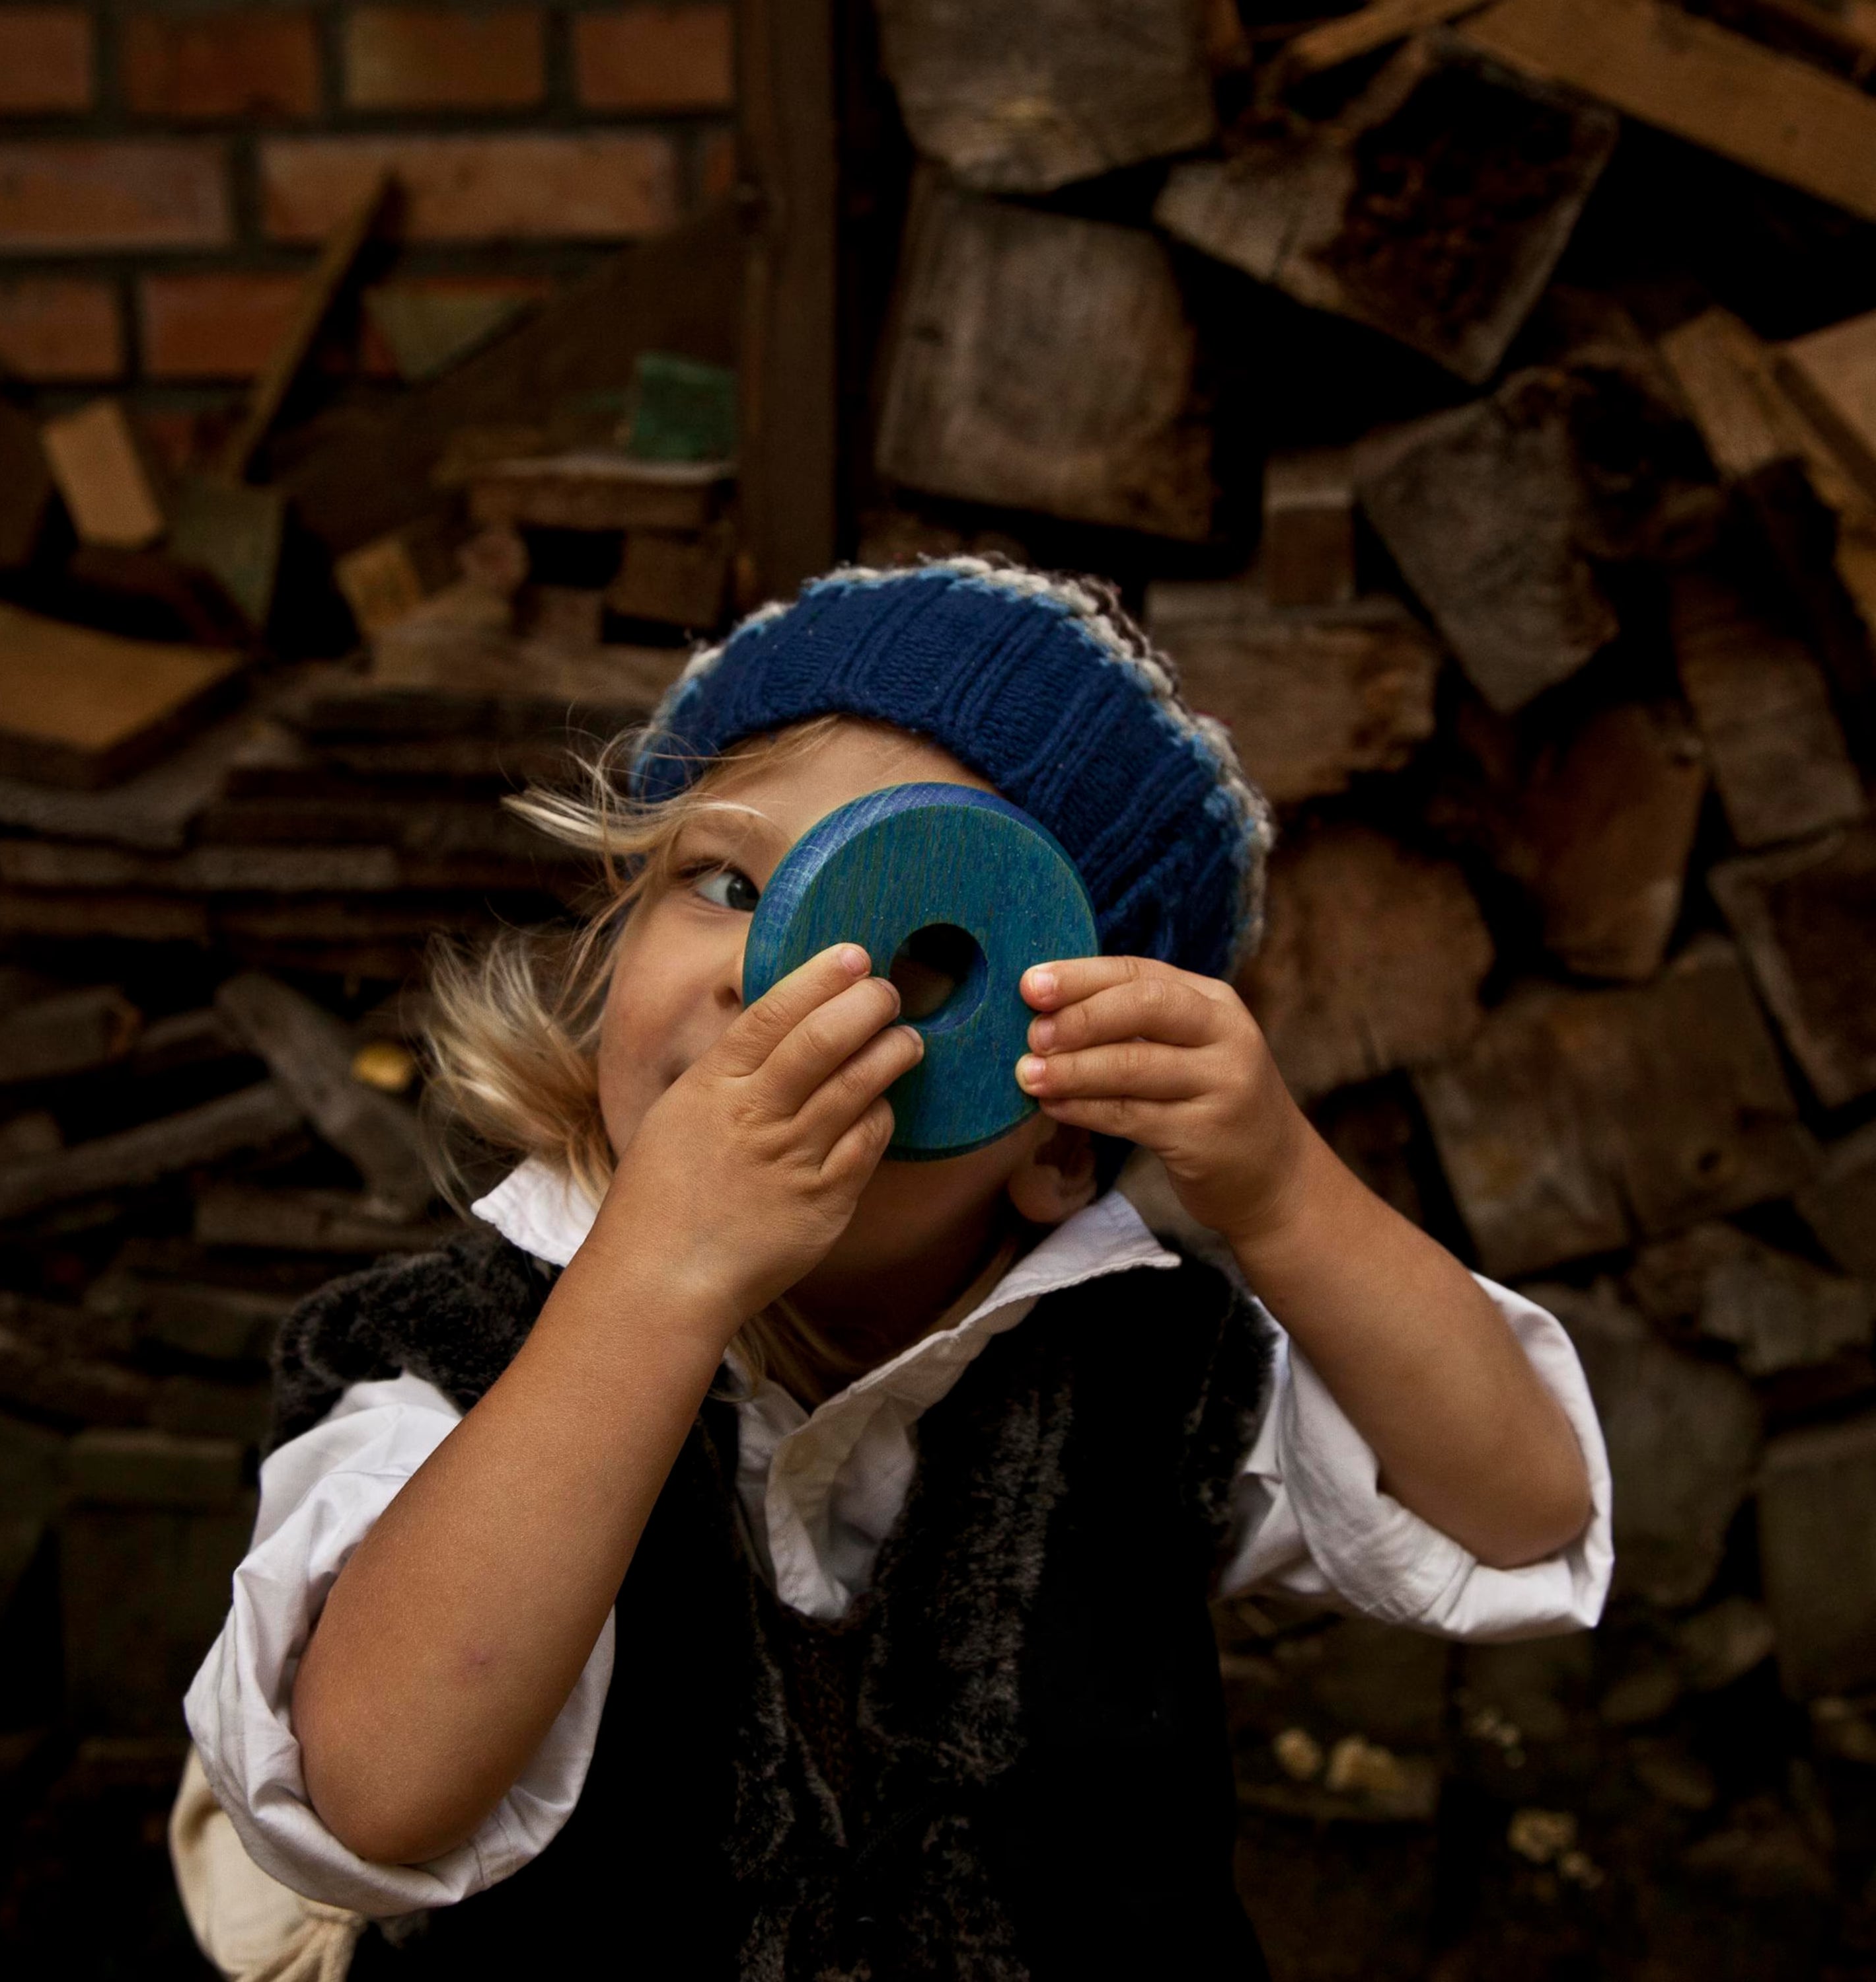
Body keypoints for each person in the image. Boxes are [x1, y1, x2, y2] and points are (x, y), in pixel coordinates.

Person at [178, 558, 1611, 1980]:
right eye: (730, 882)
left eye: (918, 954)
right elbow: (371, 1788)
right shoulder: (442, 1355)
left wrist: (1287, 1193)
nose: (773, 977)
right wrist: (655, 1283)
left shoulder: (1150, 1376)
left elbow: (1518, 1510)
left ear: (1062, 1139)